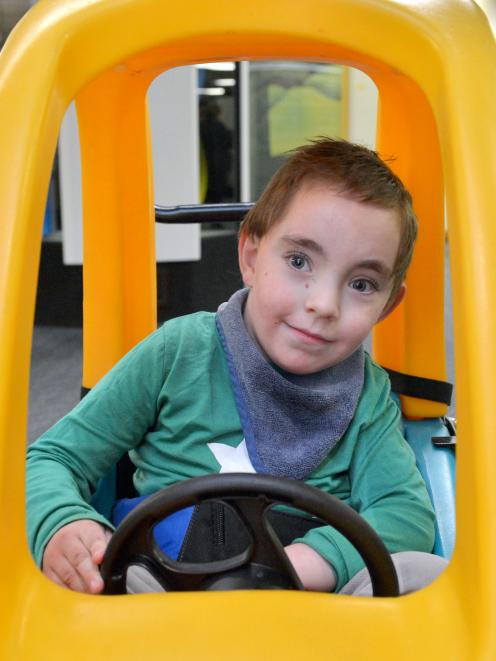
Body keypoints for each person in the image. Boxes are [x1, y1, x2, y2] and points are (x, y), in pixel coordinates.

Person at [26, 138, 447, 596]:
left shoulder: (365, 395)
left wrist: (308, 561)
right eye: (299, 261)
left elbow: (404, 511)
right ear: (250, 256)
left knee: (427, 575)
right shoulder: (178, 352)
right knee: (85, 572)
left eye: (362, 283)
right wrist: (64, 524)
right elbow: (50, 458)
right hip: (163, 588)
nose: (323, 304)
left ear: (388, 306)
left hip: (307, 605)